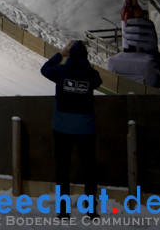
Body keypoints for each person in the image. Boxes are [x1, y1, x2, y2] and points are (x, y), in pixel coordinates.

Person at [42, 40, 102, 216]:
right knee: (89, 170)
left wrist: (61, 54)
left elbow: (45, 69)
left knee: (62, 169)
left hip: (62, 128)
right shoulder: (91, 74)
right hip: (86, 129)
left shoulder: (61, 72)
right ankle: (91, 210)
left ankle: (63, 210)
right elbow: (98, 80)